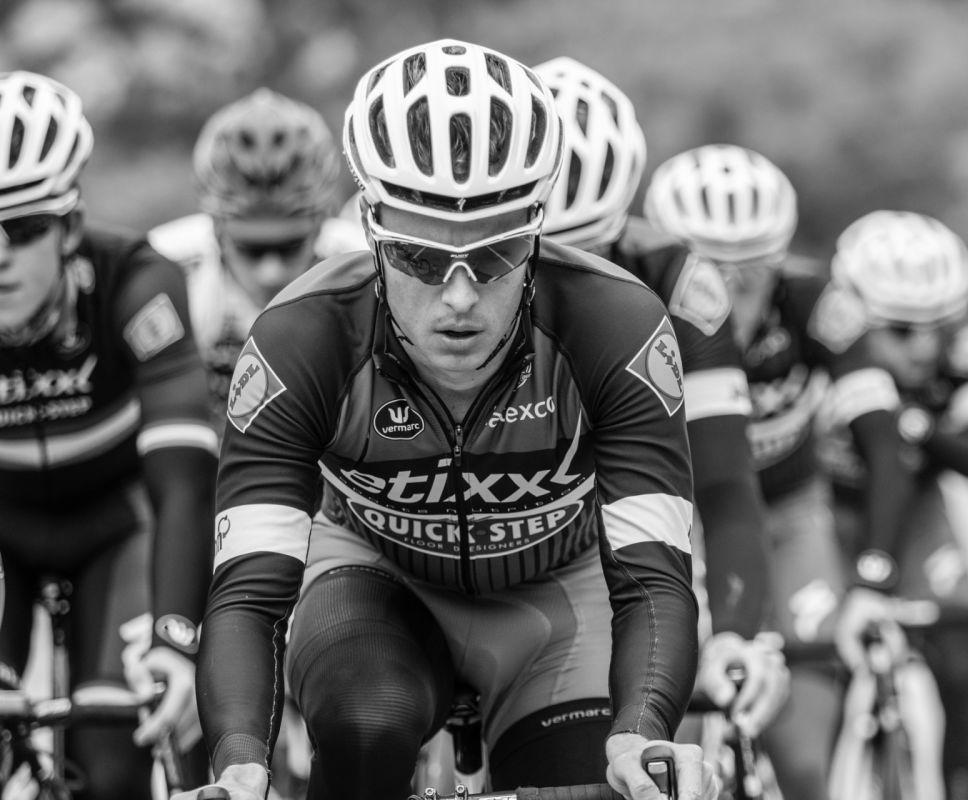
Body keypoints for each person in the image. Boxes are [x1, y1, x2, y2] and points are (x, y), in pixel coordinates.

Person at [176, 39, 717, 800]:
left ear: (537, 228)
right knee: (365, 725)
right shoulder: (302, 337)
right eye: (421, 259)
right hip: (372, 584)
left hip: (558, 606)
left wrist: (642, 730)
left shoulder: (615, 323)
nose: (459, 297)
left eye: (495, 255)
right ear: (370, 226)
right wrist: (240, 764)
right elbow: (249, 595)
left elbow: (652, 576)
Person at [643, 145, 913, 800]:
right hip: (676, 520)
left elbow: (885, 446)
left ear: (781, 261)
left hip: (786, 514)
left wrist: (873, 580)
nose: (727, 291)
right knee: (668, 753)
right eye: (707, 270)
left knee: (804, 766)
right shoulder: (626, 305)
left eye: (752, 272)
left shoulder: (817, 305)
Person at [534, 56, 787, 741]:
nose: (555, 279)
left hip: (617, 538)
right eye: (528, 255)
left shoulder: (680, 281)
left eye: (591, 251)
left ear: (624, 223)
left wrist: (735, 634)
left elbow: (725, 485)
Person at [0, 70, 215, 799]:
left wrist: (175, 642)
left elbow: (183, 481)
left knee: (115, 762)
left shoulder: (137, 280)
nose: (0, 255)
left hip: (115, 529)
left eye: (23, 230)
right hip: (2, 534)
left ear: (68, 227)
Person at [819, 209, 968, 800]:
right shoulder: (820, 344)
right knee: (823, 680)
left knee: (958, 668)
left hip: (918, 517)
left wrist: (917, 427)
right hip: (829, 515)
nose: (924, 347)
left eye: (940, 326)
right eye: (902, 330)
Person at [149, 87, 364, 432]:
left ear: (322, 222)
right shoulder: (165, 265)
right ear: (216, 228)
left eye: (290, 246)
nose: (270, 272)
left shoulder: (365, 265)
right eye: (251, 249)